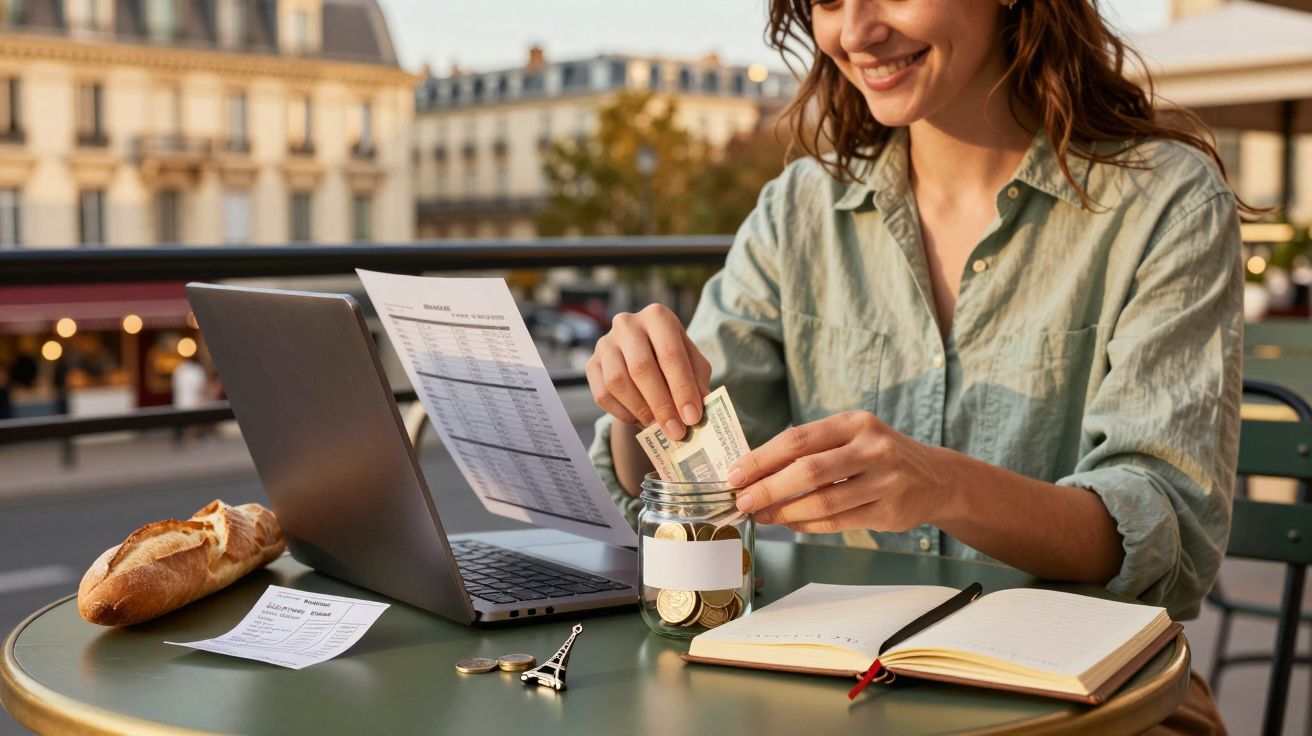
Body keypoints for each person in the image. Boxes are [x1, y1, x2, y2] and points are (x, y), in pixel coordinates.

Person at [586, 1, 1245, 732]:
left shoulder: (1166, 202)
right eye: (828, 2)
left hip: (1095, 706)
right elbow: (687, 478)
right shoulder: (799, 210)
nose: (857, 32)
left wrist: (941, 484)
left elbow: (1162, 534)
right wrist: (638, 404)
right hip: (846, 697)